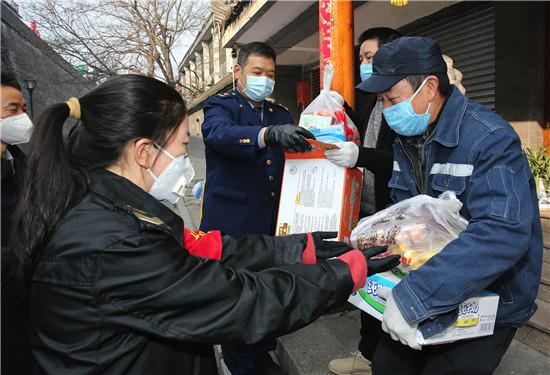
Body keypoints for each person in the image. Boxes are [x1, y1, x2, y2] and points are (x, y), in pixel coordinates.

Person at [11, 74, 400, 375]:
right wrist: (344, 272)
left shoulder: (109, 206)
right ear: (145, 151)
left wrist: (300, 249)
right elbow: (240, 301)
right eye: (183, 144)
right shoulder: (113, 241)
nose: (185, 155)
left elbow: (205, 248)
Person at [357, 36, 543, 374]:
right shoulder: (408, 140)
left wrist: (417, 295)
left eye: (391, 99)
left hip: (490, 295)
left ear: (429, 87)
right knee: (387, 366)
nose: (385, 110)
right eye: (381, 100)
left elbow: (502, 232)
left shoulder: (490, 139)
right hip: (431, 280)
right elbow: (410, 212)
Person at [199, 41, 314, 374]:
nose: (265, 79)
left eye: (271, 74)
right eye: (257, 72)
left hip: (272, 219)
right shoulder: (220, 107)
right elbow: (219, 135)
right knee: (235, 294)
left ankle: (261, 350)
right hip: (232, 222)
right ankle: (239, 361)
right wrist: (267, 134)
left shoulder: (280, 113)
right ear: (238, 72)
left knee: (265, 290)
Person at [326, 27, 401, 375]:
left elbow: (394, 158)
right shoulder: (376, 100)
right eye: (362, 59)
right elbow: (367, 136)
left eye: (370, 58)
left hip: (394, 214)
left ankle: (381, 359)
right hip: (369, 211)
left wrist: (360, 156)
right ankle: (368, 355)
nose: (364, 65)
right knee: (368, 283)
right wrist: (341, 108)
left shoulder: (403, 107)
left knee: (390, 287)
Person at [1, 70, 34, 375]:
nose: (22, 117)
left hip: (29, 304)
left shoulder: (20, 163)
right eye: (12, 110)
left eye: (23, 109)